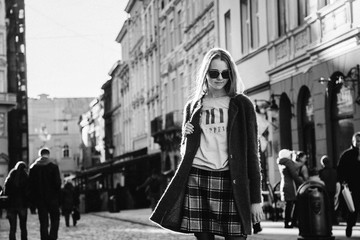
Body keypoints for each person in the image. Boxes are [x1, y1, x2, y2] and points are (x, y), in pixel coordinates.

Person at [150, 47, 263, 240]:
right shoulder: (193, 106)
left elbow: (252, 153)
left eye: (225, 73)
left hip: (231, 180)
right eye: (214, 73)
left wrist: (256, 199)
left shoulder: (242, 104)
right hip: (197, 178)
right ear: (205, 74)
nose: (220, 78)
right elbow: (187, 152)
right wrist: (185, 137)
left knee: (237, 236)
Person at [29, 148, 61, 240]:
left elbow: (31, 186)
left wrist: (32, 203)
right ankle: (52, 237)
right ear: (48, 155)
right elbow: (57, 184)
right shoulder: (53, 166)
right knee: (55, 219)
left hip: (40, 200)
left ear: (40, 155)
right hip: (52, 199)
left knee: (43, 222)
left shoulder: (33, 168)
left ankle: (44, 238)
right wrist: (59, 200)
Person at [337, 132, 360, 237]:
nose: (359, 143)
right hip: (352, 186)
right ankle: (349, 226)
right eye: (358, 141)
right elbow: (340, 170)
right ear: (353, 141)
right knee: (352, 209)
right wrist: (343, 182)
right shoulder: (347, 154)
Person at [277, 149, 304, 228]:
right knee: (293, 203)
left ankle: (288, 222)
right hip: (290, 186)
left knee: (289, 204)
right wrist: (302, 182)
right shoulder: (288, 162)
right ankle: (292, 222)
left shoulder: (282, 162)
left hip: (285, 184)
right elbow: (294, 174)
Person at [4, 161, 29, 240]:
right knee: (23, 227)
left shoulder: (11, 174)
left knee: (12, 227)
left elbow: (6, 190)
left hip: (11, 205)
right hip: (22, 205)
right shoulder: (25, 176)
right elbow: (28, 191)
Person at [319, 155, 338, 225]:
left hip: (325, 190)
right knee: (332, 205)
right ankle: (334, 219)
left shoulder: (321, 172)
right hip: (332, 190)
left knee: (325, 205)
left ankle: (327, 219)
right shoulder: (334, 171)